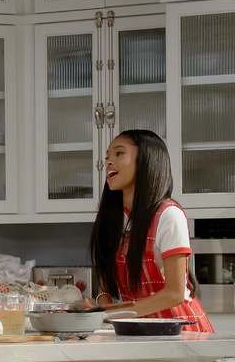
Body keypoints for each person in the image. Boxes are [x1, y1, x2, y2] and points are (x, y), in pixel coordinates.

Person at [87, 129, 213, 332]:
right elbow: (105, 288)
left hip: (181, 332)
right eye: (107, 157)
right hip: (138, 330)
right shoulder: (114, 220)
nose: (108, 162)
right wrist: (101, 308)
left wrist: (109, 315)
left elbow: (174, 294)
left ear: (147, 160)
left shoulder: (169, 215)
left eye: (119, 154)